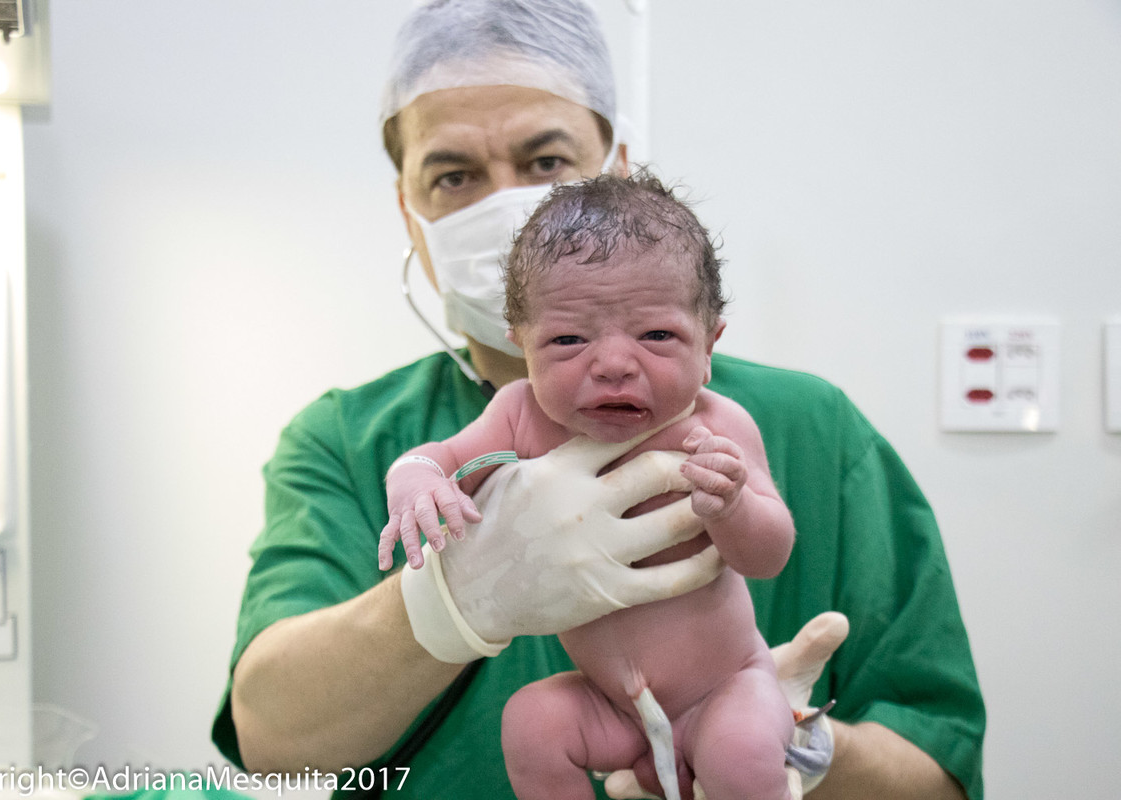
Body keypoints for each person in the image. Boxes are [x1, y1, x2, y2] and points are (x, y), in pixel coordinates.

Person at [213, 2, 986, 799]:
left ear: (615, 173)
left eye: (547, 161)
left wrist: (798, 748)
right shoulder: (345, 440)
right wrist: (453, 599)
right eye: (453, 176)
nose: (509, 208)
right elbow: (274, 742)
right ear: (410, 217)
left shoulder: (809, 431)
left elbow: (939, 772)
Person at [380, 171, 798, 799]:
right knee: (532, 722)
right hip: (613, 706)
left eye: (657, 335)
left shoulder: (717, 426)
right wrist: (414, 481)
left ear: (710, 342)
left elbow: (769, 556)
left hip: (725, 688)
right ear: (520, 344)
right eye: (568, 340)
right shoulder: (522, 415)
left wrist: (733, 505)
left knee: (741, 752)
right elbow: (437, 458)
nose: (611, 364)